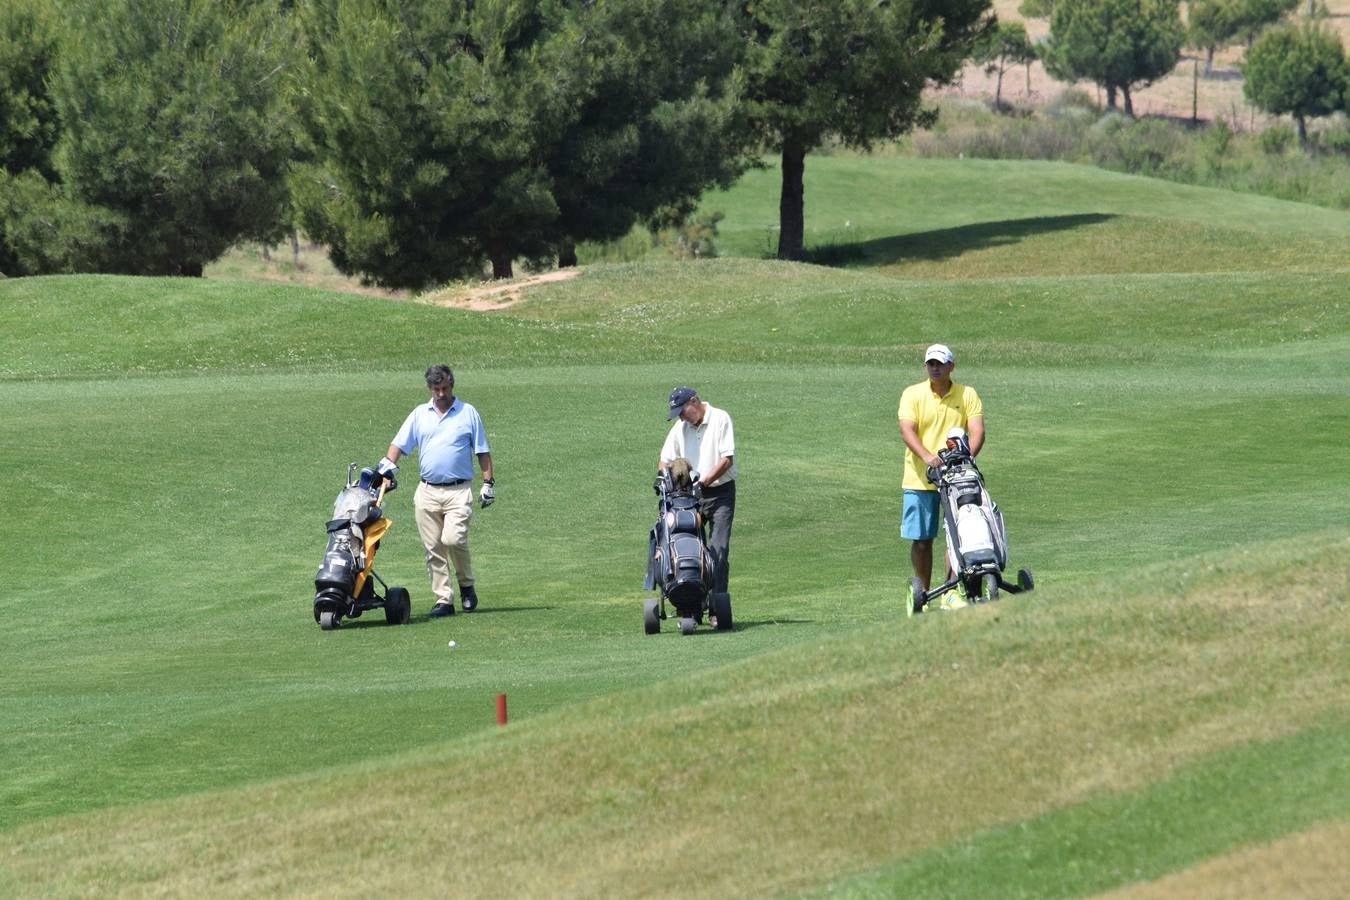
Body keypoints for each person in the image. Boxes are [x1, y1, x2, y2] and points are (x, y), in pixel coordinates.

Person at [378, 364, 495, 618]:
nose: (441, 394)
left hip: (458, 490)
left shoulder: (467, 413)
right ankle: (444, 600)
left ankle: (466, 585)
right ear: (430, 389)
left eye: (445, 388)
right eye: (436, 389)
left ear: (452, 385)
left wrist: (488, 483)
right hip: (427, 491)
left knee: (453, 539)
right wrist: (385, 472)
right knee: (433, 548)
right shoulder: (420, 414)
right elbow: (398, 445)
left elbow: (482, 450)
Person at [897, 344, 984, 601]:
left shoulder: (967, 394)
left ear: (951, 366)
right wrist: (927, 457)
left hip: (957, 477)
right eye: (930, 364)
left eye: (940, 364)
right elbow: (907, 429)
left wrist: (967, 457)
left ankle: (950, 590)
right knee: (922, 540)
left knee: (956, 537)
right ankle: (923, 594)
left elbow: (977, 430)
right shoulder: (913, 394)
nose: (934, 368)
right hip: (919, 478)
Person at [659, 386, 736, 602]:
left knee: (718, 551)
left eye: (682, 412)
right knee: (689, 548)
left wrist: (702, 482)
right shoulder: (680, 428)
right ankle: (693, 600)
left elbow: (726, 460)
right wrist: (667, 479)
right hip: (690, 498)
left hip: (721, 494)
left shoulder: (720, 418)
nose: (681, 418)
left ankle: (716, 603)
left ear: (693, 402)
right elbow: (664, 459)